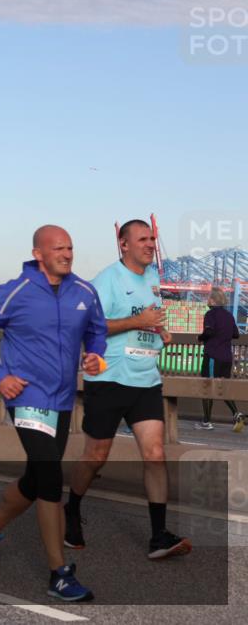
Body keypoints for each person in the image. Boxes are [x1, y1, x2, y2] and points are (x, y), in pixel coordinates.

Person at [0, 225, 106, 602]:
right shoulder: (16, 291)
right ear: (38, 253)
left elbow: (97, 331)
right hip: (26, 397)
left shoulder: (85, 292)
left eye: (71, 247)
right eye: (59, 248)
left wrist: (95, 355)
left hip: (61, 400)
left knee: (35, 478)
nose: (67, 253)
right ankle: (59, 573)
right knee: (49, 476)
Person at [65, 219, 192, 559]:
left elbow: (150, 316)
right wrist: (139, 322)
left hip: (145, 381)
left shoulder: (152, 278)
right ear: (124, 245)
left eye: (153, 239)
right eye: (143, 239)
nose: (151, 244)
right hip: (108, 380)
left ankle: (159, 536)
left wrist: (159, 332)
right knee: (96, 457)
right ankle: (71, 508)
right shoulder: (106, 281)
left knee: (155, 454)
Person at [196, 288, 244, 431]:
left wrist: (200, 337)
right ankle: (236, 413)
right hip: (226, 358)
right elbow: (236, 334)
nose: (207, 300)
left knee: (207, 385)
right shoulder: (229, 316)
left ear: (214, 300)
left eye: (209, 298)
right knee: (222, 387)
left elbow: (209, 331)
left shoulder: (210, 314)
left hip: (213, 356)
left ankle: (206, 421)